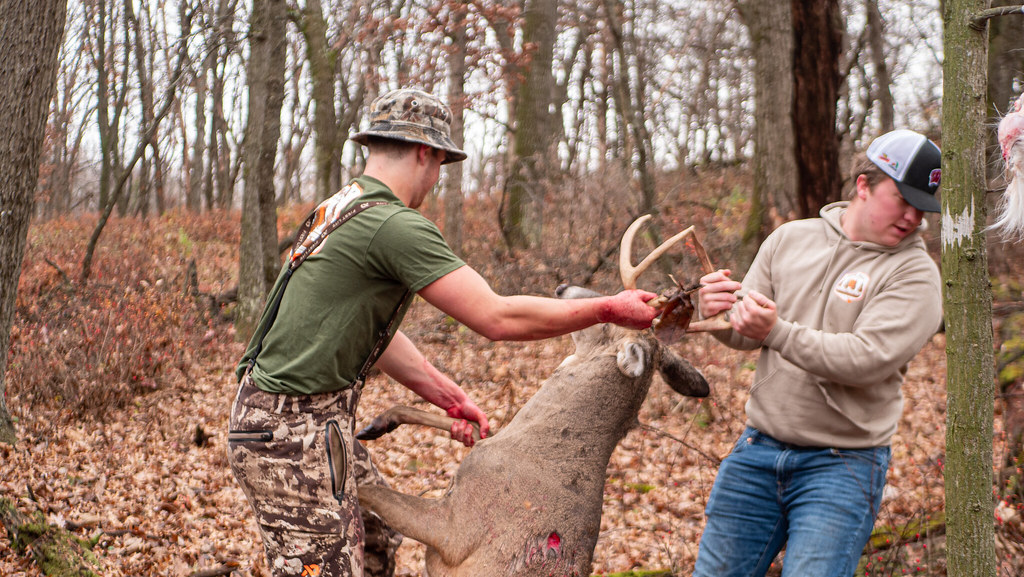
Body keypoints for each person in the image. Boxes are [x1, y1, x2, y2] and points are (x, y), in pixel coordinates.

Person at [226, 88, 662, 577]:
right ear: (426, 153)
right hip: (291, 434)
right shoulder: (393, 224)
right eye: (439, 166)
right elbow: (497, 317)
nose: (436, 179)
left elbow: (366, 332)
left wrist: (443, 394)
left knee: (375, 534)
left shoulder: (340, 209)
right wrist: (608, 310)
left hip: (292, 423)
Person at [691, 129, 944, 577]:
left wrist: (777, 331)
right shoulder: (791, 239)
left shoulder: (915, 274)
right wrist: (716, 311)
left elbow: (866, 359)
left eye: (922, 208)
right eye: (901, 199)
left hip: (843, 467)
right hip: (757, 452)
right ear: (863, 185)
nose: (912, 217)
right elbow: (747, 333)